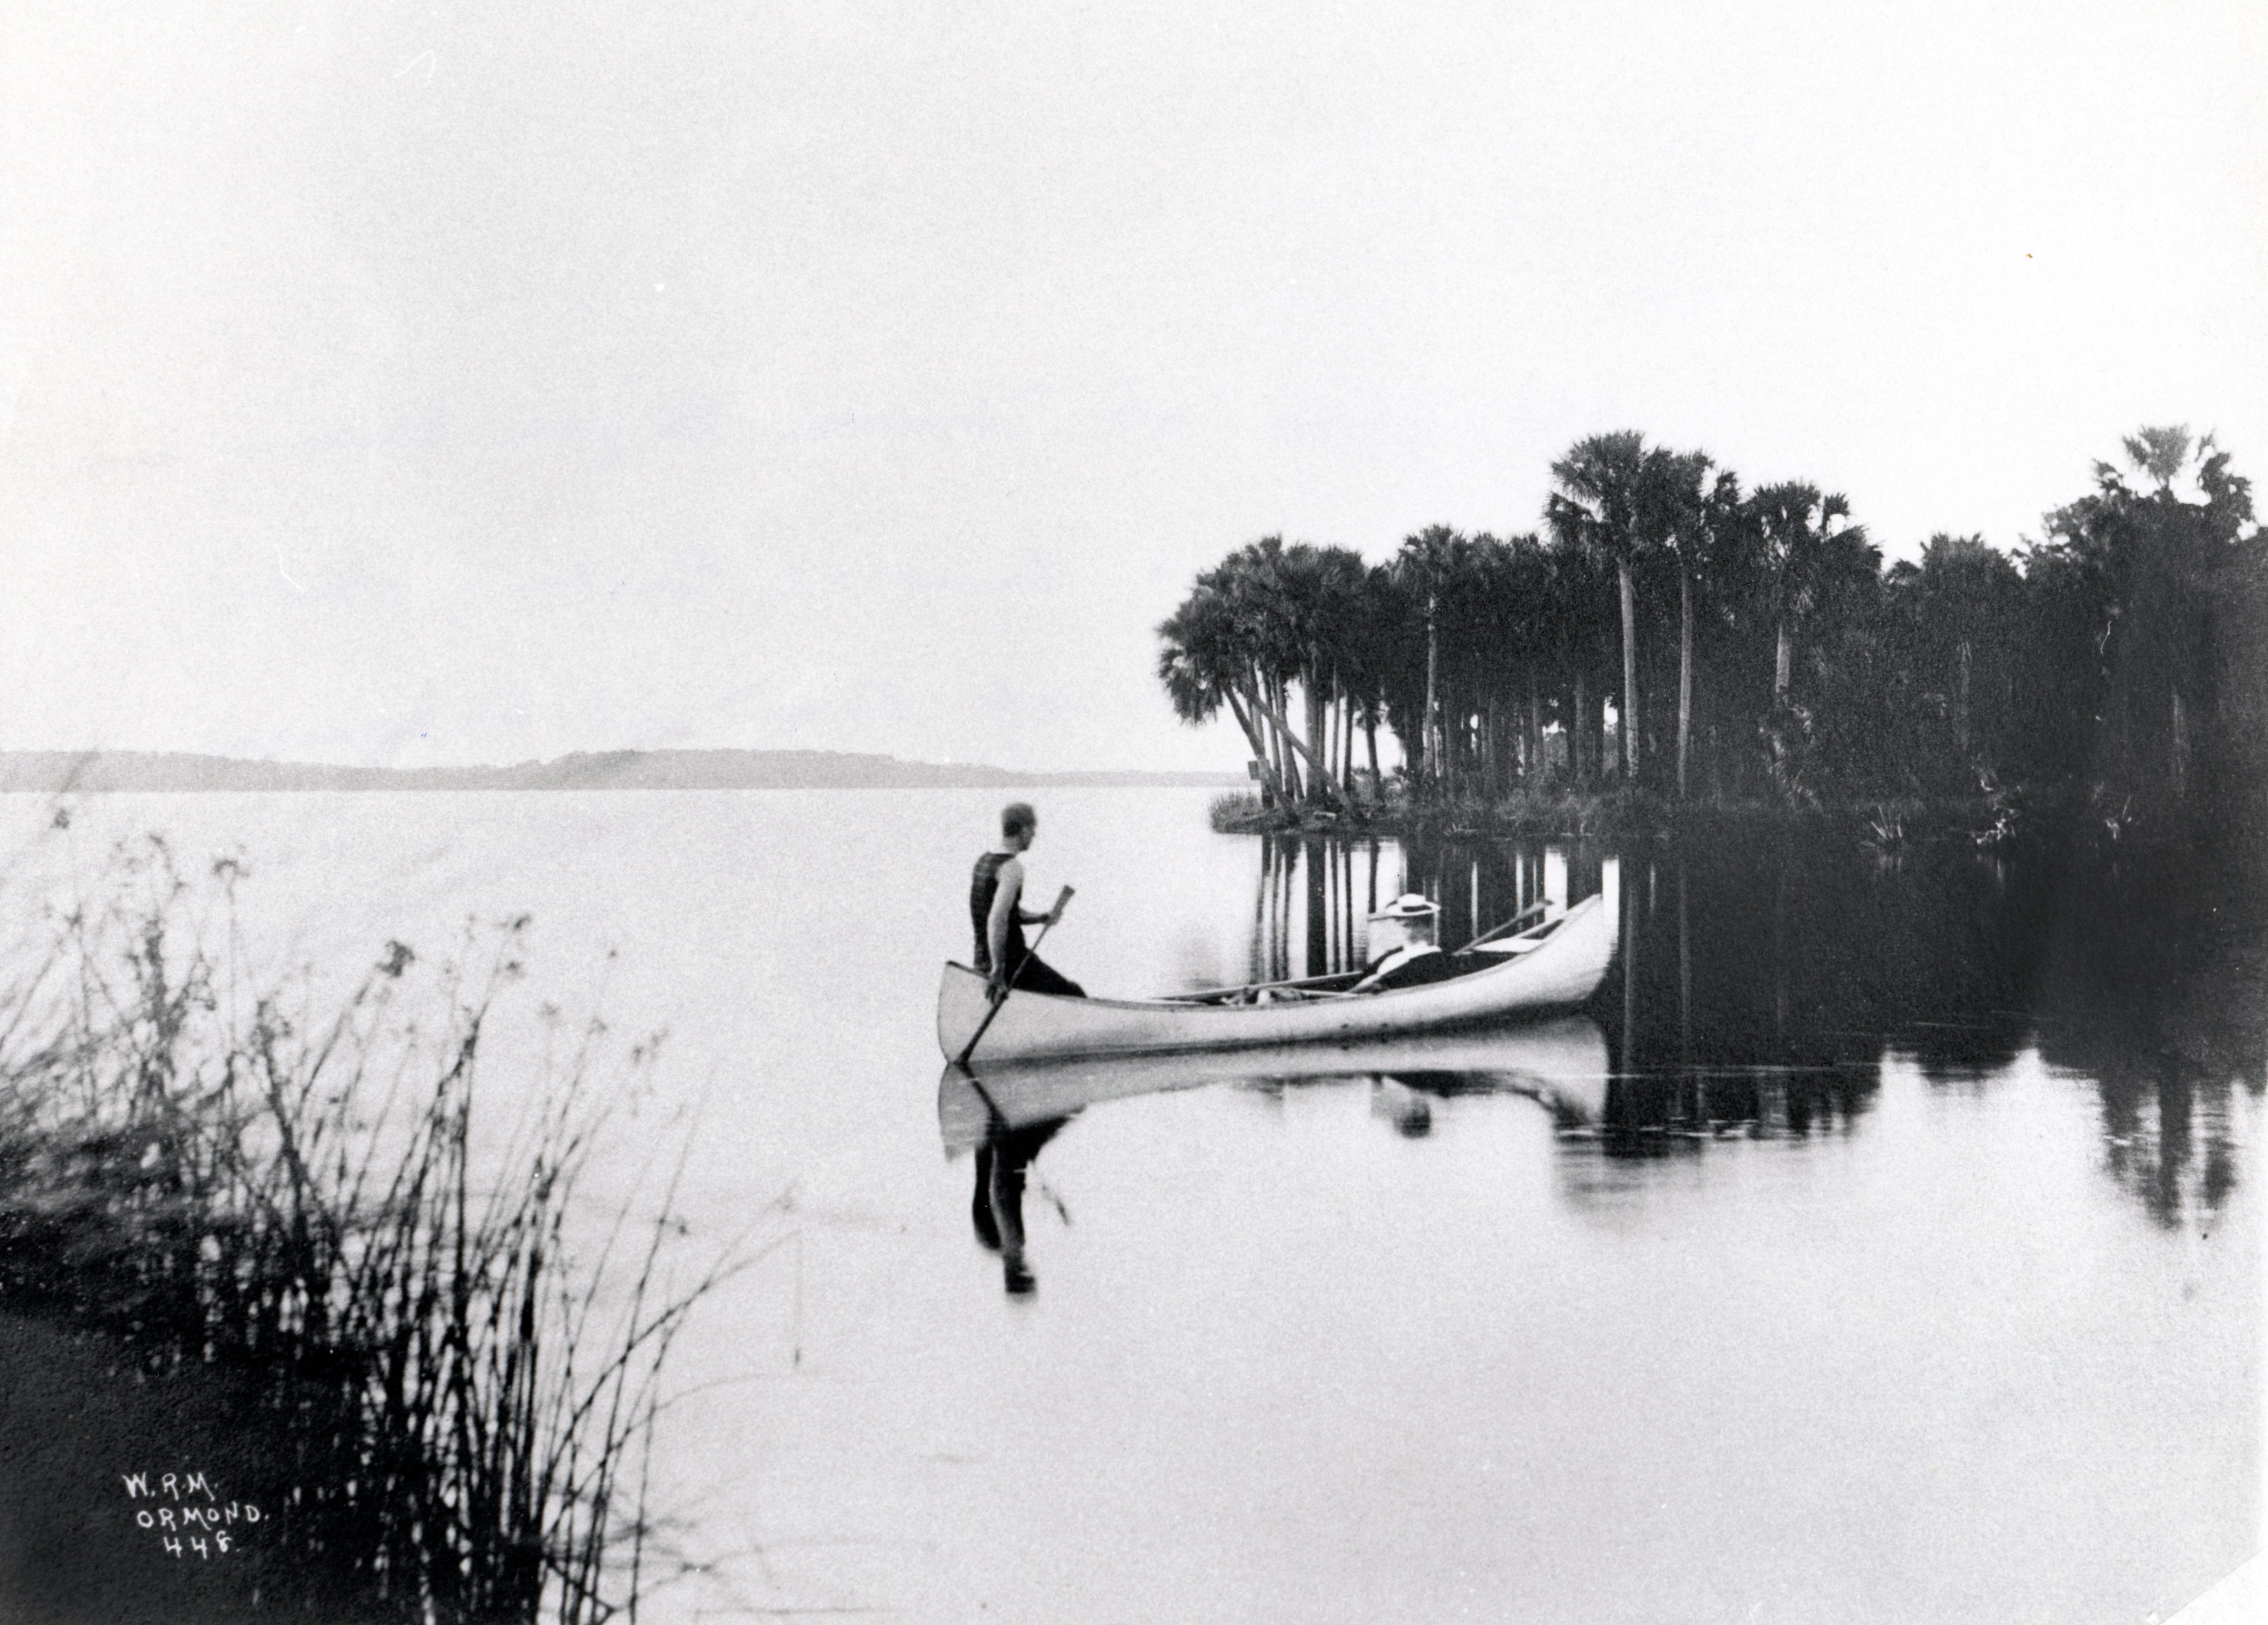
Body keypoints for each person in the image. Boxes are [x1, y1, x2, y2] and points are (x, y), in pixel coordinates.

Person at [969, 802, 1084, 997]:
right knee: (1074, 994)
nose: (1034, 835)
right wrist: (998, 969)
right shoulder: (1012, 868)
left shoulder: (984, 861)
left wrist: (1040, 918)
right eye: (1033, 829)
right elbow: (997, 919)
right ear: (1023, 829)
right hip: (1011, 962)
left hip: (982, 959)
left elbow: (1007, 912)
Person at [1351, 893, 1473, 993]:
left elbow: (1379, 982)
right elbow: (1364, 977)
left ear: (1428, 928)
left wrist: (1350, 993)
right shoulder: (1393, 954)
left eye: (1411, 925)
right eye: (1403, 924)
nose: (1407, 930)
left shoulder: (1435, 960)